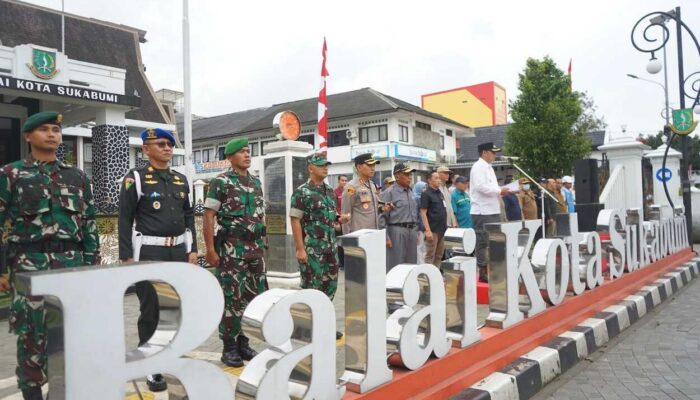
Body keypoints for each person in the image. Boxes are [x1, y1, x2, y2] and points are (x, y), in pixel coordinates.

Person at [0, 111, 99, 400]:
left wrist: (93, 267)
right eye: (44, 129)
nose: (52, 134)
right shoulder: (10, 175)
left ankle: (68, 391)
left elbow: (89, 223)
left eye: (56, 129)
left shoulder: (77, 177)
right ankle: (32, 394)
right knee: (32, 336)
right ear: (28, 136)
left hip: (72, 266)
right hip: (30, 267)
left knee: (71, 333)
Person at [118, 128, 198, 392]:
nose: (167, 148)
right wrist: (126, 256)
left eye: (169, 145)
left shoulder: (179, 179)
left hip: (177, 252)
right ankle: (150, 366)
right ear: (146, 149)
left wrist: (193, 248)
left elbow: (188, 216)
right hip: (149, 254)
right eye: (161, 144)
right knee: (151, 311)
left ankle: (171, 357)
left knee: (175, 309)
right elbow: (125, 218)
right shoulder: (136, 178)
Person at [203, 138, 267, 368]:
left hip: (255, 249)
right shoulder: (220, 182)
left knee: (254, 297)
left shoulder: (256, 182)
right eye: (241, 152)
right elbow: (209, 216)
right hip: (232, 248)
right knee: (232, 297)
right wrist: (210, 250)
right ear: (230, 157)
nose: (247, 155)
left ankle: (243, 341)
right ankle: (228, 347)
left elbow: (259, 216)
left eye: (248, 151)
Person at [290, 153, 348, 339]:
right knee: (311, 288)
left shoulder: (329, 190)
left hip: (331, 247)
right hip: (313, 249)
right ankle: (306, 328)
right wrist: (300, 248)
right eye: (321, 164)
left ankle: (325, 325)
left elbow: (328, 216)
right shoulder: (302, 192)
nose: (325, 167)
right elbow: (296, 220)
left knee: (329, 286)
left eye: (327, 165)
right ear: (310, 168)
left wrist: (339, 219)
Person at [470, 142, 510, 282]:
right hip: (482, 211)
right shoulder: (478, 167)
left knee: (494, 240)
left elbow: (491, 187)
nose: (495, 155)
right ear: (484, 152)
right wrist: (499, 190)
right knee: (482, 242)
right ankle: (482, 271)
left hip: (493, 209)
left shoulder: (489, 168)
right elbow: (481, 187)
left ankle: (493, 268)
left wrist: (503, 191)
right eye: (493, 152)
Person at [381, 163, 418, 270]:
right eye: (406, 174)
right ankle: (392, 287)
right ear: (397, 176)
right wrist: (386, 237)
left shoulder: (410, 191)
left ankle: (408, 286)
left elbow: (414, 213)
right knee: (396, 264)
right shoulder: (389, 192)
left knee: (411, 265)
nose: (410, 177)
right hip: (396, 231)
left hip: (411, 231)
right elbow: (382, 217)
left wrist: (416, 231)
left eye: (410, 174)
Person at [342, 153, 384, 234]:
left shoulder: (372, 185)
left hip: (374, 233)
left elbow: (373, 209)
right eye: (369, 165)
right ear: (359, 167)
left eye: (374, 165)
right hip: (359, 236)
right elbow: (345, 214)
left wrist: (383, 208)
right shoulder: (351, 187)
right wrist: (347, 239)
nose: (373, 168)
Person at [420, 171, 448, 267]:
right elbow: (423, 213)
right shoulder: (426, 194)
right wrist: (427, 231)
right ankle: (427, 279)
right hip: (433, 230)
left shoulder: (439, 193)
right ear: (429, 180)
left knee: (439, 255)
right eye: (436, 178)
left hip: (442, 229)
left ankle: (436, 276)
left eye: (439, 178)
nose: (438, 180)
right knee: (430, 256)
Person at [413, 181, 427, 264]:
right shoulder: (416, 199)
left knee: (422, 248)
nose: (425, 189)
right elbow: (416, 215)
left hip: (423, 228)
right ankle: (420, 266)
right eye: (423, 188)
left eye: (425, 187)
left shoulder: (422, 198)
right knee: (419, 248)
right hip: (418, 228)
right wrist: (417, 229)